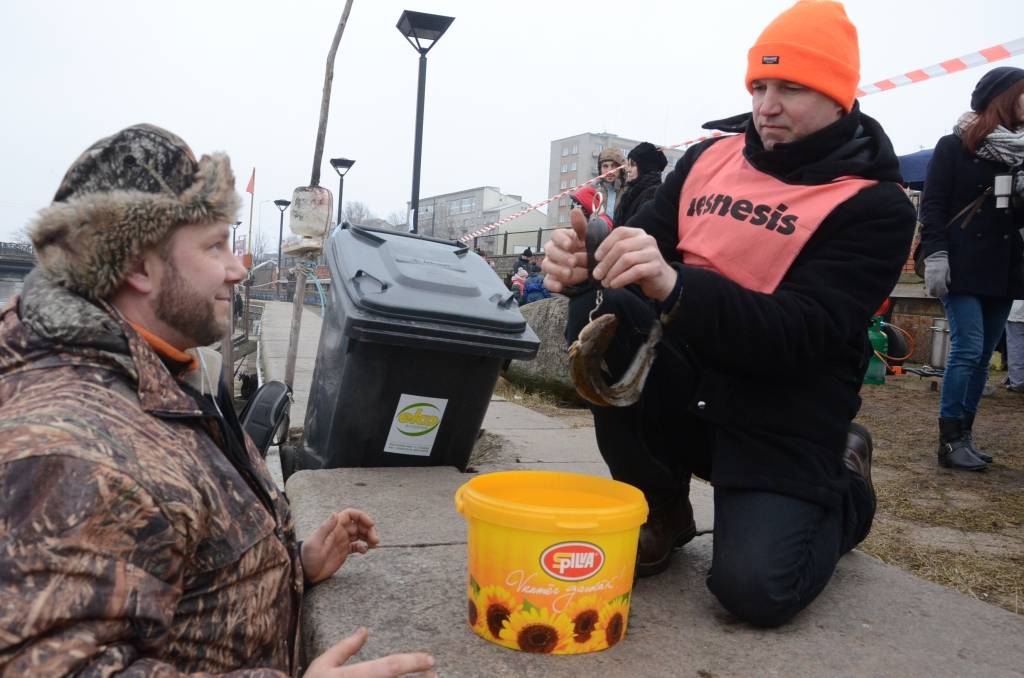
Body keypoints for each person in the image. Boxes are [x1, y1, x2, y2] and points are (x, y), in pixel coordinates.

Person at [0, 124, 435, 677]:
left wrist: (293, 566)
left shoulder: (148, 374)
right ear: (137, 265)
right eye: (214, 246)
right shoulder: (71, 447)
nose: (237, 269)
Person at [542, 0, 916, 627]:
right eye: (759, 86)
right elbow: (641, 251)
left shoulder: (875, 205)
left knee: (755, 592)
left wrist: (675, 284)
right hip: (687, 380)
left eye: (791, 88)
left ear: (839, 97)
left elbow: (802, 333)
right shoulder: (705, 161)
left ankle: (846, 480)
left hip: (782, 406)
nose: (767, 105)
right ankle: (659, 506)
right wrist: (586, 264)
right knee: (606, 305)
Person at [918, 66, 1024, 470]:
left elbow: (1013, 218)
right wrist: (936, 256)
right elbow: (932, 206)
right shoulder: (953, 146)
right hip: (960, 264)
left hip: (1003, 266)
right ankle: (948, 442)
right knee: (967, 348)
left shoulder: (1020, 157)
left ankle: (964, 434)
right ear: (1004, 98)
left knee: (982, 357)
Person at [613, 141, 668, 226]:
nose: (628, 170)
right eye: (628, 165)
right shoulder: (632, 192)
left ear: (645, 167)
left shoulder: (652, 194)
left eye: (633, 165)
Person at [596, 147, 627, 219]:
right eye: (605, 166)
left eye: (614, 166)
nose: (609, 171)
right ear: (600, 169)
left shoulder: (629, 192)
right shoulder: (596, 194)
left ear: (621, 169)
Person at [1007, 300, 1024, 392]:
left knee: (1015, 349)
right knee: (1015, 349)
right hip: (1016, 313)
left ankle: (1018, 382)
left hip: (1016, 312)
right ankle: (1017, 381)